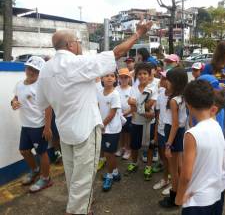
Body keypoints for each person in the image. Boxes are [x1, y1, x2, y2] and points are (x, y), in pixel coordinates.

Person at [36, 19, 152, 215]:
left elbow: (42, 103)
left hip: (65, 131)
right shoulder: (76, 63)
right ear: (71, 45)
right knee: (84, 178)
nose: (80, 45)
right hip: (85, 130)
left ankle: (78, 208)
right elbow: (116, 53)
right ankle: (76, 211)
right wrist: (138, 34)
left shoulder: (45, 70)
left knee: (73, 176)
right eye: (78, 41)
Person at [175, 80, 225, 215]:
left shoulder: (192, 134)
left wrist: (179, 197)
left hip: (197, 199)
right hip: (217, 192)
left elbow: (186, 175)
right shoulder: (216, 125)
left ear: (188, 105)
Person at [11, 56, 53, 193]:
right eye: (29, 68)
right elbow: (15, 98)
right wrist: (14, 103)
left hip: (38, 126)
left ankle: (46, 178)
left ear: (40, 72)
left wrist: (47, 128)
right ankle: (35, 170)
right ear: (25, 68)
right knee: (24, 151)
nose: (31, 72)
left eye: (35, 70)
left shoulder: (41, 87)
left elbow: (48, 108)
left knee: (42, 152)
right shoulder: (19, 84)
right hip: (26, 125)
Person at [159, 68, 188, 208]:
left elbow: (175, 125)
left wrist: (168, 145)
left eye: (168, 80)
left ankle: (175, 197)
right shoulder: (182, 97)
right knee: (179, 165)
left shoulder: (173, 101)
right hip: (179, 132)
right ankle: (183, 192)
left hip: (173, 133)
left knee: (173, 168)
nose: (166, 82)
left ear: (175, 83)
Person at [127, 62, 157, 181]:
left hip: (150, 122)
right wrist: (143, 107)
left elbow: (150, 104)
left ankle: (148, 166)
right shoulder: (134, 88)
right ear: (136, 76)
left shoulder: (153, 88)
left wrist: (137, 105)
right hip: (136, 122)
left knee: (150, 146)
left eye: (145, 73)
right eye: (139, 74)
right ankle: (134, 163)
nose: (142, 76)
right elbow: (130, 103)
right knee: (134, 145)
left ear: (149, 75)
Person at [97, 73, 122, 192]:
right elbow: (97, 108)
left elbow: (112, 114)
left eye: (112, 76)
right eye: (106, 75)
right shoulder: (100, 92)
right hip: (103, 127)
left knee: (108, 153)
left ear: (115, 79)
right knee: (109, 153)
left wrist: (102, 125)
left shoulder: (115, 94)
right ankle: (115, 172)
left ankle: (110, 175)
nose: (109, 78)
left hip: (111, 129)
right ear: (102, 78)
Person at [153, 72, 170, 194]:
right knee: (163, 157)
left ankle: (174, 182)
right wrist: (156, 134)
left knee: (173, 159)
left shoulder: (177, 97)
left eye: (164, 78)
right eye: (162, 77)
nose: (161, 79)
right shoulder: (160, 94)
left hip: (171, 133)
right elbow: (157, 115)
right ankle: (165, 178)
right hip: (160, 131)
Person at [115, 68, 132, 160]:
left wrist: (126, 113)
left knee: (128, 134)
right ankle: (121, 148)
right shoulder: (116, 89)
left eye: (126, 77)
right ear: (118, 78)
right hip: (118, 116)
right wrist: (119, 113)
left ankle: (128, 149)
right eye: (121, 77)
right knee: (121, 133)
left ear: (129, 78)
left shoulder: (132, 89)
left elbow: (134, 105)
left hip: (129, 116)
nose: (123, 79)